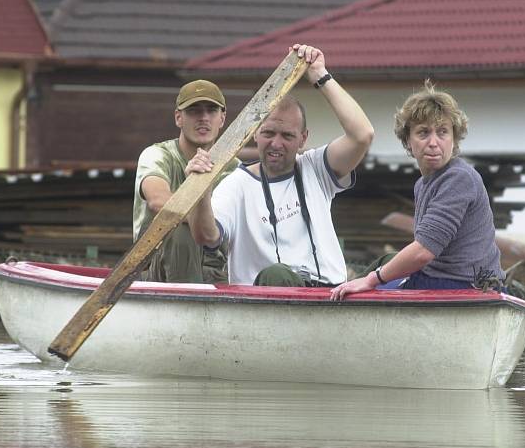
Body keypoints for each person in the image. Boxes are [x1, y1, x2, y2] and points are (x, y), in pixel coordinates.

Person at [186, 44, 374, 286]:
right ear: (254, 133)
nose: (276, 143)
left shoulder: (315, 168)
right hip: (270, 298)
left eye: (287, 136)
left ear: (303, 139)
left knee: (391, 264)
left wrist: (320, 76)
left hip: (328, 294)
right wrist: (200, 191)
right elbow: (206, 237)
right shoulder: (237, 184)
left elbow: (363, 135)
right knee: (277, 274)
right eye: (269, 133)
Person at [330, 80, 504, 300]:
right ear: (408, 140)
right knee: (380, 274)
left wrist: (371, 279)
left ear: (454, 138)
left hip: (466, 286)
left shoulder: (458, 178)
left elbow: (423, 251)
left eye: (443, 132)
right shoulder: (423, 184)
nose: (433, 142)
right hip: (443, 279)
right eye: (423, 133)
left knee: (368, 291)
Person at [133, 79, 238, 283]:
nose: (203, 118)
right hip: (160, 270)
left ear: (222, 118)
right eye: (194, 111)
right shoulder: (157, 154)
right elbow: (158, 201)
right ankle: (183, 311)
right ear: (178, 118)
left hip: (217, 272)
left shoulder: (235, 169)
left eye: (211, 110)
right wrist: (203, 217)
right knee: (180, 229)